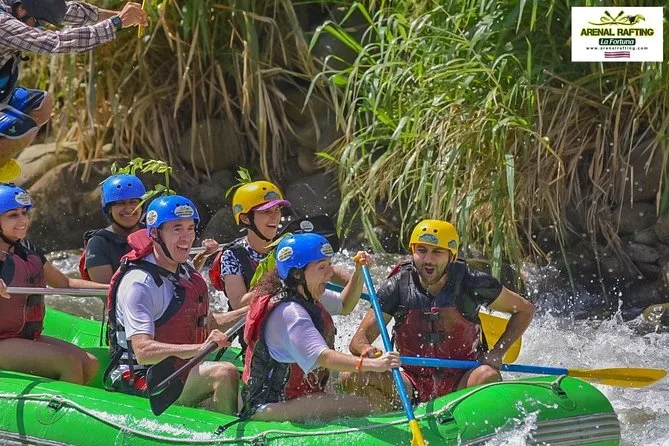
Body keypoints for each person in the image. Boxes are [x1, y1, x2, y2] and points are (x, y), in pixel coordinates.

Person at [342, 219, 535, 410]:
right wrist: (367, 350)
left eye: (437, 252)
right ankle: (396, 418)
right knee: (350, 376)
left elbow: (524, 310)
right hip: (410, 382)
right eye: (421, 250)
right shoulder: (397, 286)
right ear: (412, 251)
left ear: (452, 256)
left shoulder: (472, 283)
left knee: (488, 375)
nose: (428, 259)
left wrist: (497, 352)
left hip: (463, 379)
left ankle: (463, 415)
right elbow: (358, 340)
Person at [104, 194, 243, 414]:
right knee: (224, 372)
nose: (186, 237)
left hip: (176, 368)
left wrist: (252, 310)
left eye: (190, 228)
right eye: (177, 229)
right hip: (142, 376)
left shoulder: (183, 269)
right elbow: (143, 351)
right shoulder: (139, 283)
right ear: (155, 234)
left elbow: (206, 323)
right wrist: (200, 348)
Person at [241, 233, 400, 422]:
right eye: (322, 267)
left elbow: (344, 305)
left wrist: (358, 273)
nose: (330, 273)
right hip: (270, 406)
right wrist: (374, 365)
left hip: (294, 398)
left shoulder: (306, 294)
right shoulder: (291, 313)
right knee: (370, 405)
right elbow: (323, 357)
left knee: (368, 395)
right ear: (297, 274)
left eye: (330, 264)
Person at [0, 0, 147, 181]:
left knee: (42, 104)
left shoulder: (19, 4)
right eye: (38, 22)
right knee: (22, 127)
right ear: (22, 10)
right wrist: (116, 24)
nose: (39, 27)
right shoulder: (3, 24)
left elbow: (67, 11)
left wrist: (120, 15)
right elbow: (55, 42)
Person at [0, 183, 108, 384]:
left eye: (24, 213)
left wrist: (112, 289)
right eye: (13, 215)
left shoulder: (28, 250)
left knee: (90, 363)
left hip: (25, 336)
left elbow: (64, 283)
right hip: (2, 341)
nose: (23, 220)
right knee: (68, 363)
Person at [79, 173, 146, 283]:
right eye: (120, 203)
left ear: (142, 206)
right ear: (109, 209)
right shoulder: (98, 243)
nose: (128, 209)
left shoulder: (154, 234)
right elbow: (106, 290)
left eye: (133, 202)